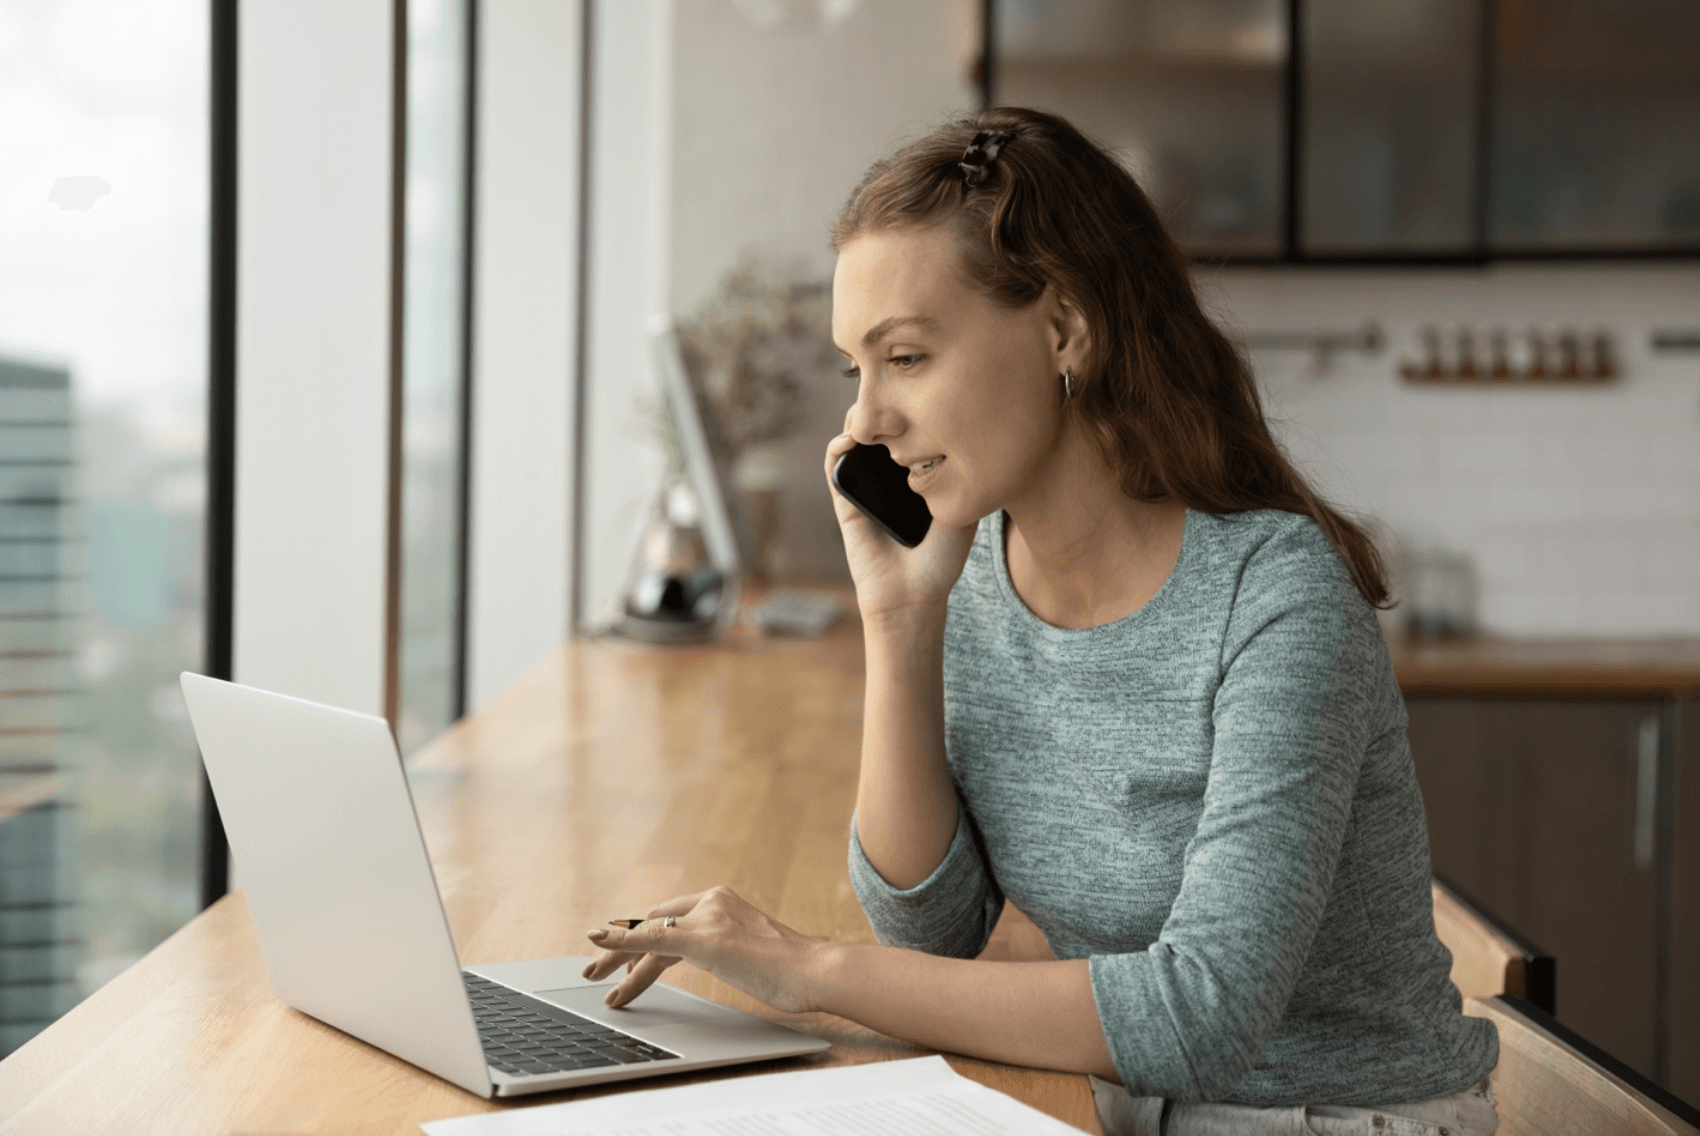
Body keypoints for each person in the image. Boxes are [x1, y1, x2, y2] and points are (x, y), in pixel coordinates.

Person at [583, 107, 1500, 1136]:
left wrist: (809, 968)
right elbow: (931, 930)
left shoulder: (1276, 597)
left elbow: (1200, 1014)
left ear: (1063, 329)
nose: (863, 422)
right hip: (1119, 1099)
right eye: (857, 368)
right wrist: (898, 617)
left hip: (1329, 1117)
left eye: (907, 357)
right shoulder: (968, 565)